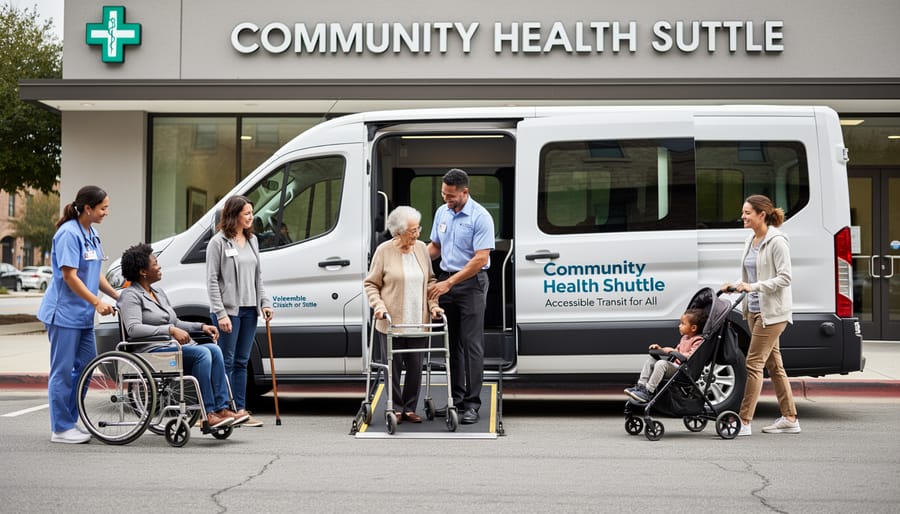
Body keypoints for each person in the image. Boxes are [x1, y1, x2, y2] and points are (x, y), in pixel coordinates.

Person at [117, 243, 248, 429]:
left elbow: (176, 322)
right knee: (203, 354)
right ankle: (208, 413)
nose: (159, 266)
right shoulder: (130, 295)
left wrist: (202, 326)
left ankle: (222, 408)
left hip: (170, 347)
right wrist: (169, 330)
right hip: (150, 351)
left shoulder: (158, 293)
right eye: (155, 263)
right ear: (143, 272)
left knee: (214, 349)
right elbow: (133, 329)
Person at [38, 186, 119, 444]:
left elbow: (95, 274)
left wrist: (118, 296)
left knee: (86, 367)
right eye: (103, 208)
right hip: (63, 315)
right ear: (88, 208)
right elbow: (70, 276)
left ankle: (70, 421)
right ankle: (60, 428)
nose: (106, 212)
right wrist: (97, 302)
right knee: (62, 371)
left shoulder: (92, 233)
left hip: (83, 316)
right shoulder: (68, 234)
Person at [721, 194, 801, 436]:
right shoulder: (751, 240)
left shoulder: (777, 241)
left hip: (773, 313)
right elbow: (750, 277)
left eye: (747, 213)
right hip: (754, 310)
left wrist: (752, 287)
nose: (743, 216)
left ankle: (744, 421)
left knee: (753, 364)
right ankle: (790, 418)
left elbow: (785, 278)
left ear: (761, 215)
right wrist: (735, 285)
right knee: (775, 366)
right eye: (743, 212)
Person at [427, 168, 495, 425]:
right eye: (444, 194)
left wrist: (449, 283)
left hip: (470, 284)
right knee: (451, 344)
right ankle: (455, 399)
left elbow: (481, 259)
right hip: (448, 282)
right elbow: (435, 247)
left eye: (451, 196)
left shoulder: (481, 217)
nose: (447, 199)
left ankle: (472, 404)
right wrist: (410, 258)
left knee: (471, 345)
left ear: (465, 192)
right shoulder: (442, 212)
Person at [364, 206, 443, 423]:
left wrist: (433, 305)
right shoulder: (384, 251)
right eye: (412, 231)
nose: (417, 234)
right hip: (391, 321)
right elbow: (371, 284)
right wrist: (378, 306)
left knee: (416, 367)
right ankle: (395, 408)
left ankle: (410, 408)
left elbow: (431, 281)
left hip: (418, 319)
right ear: (398, 232)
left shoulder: (421, 249)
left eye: (418, 229)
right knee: (394, 367)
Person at [207, 196, 274, 427]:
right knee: (225, 360)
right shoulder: (218, 242)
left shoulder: (252, 240)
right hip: (228, 311)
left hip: (249, 309)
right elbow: (212, 281)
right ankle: (221, 408)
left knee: (242, 361)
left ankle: (241, 410)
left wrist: (265, 302)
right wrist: (221, 313)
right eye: (246, 213)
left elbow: (258, 276)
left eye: (251, 213)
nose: (251, 217)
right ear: (234, 215)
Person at [624, 308, 707, 402]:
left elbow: (692, 356)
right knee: (651, 361)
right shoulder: (685, 338)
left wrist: (672, 351)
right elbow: (676, 351)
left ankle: (648, 391)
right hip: (677, 367)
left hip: (684, 371)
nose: (679, 326)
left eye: (683, 324)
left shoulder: (698, 340)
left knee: (661, 364)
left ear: (693, 328)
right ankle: (641, 386)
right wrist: (660, 349)